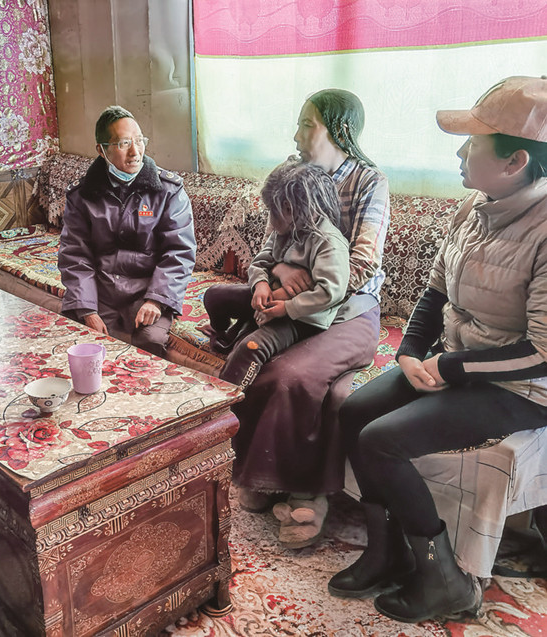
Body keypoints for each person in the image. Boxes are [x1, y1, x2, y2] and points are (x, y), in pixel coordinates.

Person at [329, 76, 547, 622]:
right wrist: (408, 351)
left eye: (472, 143)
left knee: (381, 441)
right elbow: (435, 291)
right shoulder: (474, 206)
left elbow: (543, 352)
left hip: (521, 385)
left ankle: (444, 579)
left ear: (515, 161)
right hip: (459, 360)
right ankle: (385, 552)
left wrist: (449, 366)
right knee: (355, 411)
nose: (459, 152)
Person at [228, 89, 390, 549]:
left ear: (340, 130)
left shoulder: (369, 181)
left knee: (297, 377)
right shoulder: (292, 174)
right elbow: (270, 247)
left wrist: (298, 288)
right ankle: (262, 475)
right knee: (264, 363)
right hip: (294, 307)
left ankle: (308, 494)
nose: (296, 135)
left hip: (349, 311)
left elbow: (362, 264)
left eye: (306, 125)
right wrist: (275, 275)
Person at [57, 105, 196, 357]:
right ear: (102, 150)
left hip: (147, 292)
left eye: (139, 141)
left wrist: (157, 299)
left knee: (150, 343)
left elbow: (179, 252)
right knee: (81, 342)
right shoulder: (82, 195)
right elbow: (75, 255)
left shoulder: (168, 191)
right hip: (100, 292)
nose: (135, 152)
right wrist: (87, 310)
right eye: (123, 143)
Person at [205, 159, 349, 393]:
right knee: (214, 296)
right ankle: (224, 332)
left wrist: (286, 308)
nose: (270, 219)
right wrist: (261, 284)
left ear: (289, 209)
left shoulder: (329, 242)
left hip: (301, 319)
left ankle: (224, 402)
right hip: (271, 298)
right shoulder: (283, 231)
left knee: (251, 347)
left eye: (272, 211)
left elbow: (330, 292)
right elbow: (259, 263)